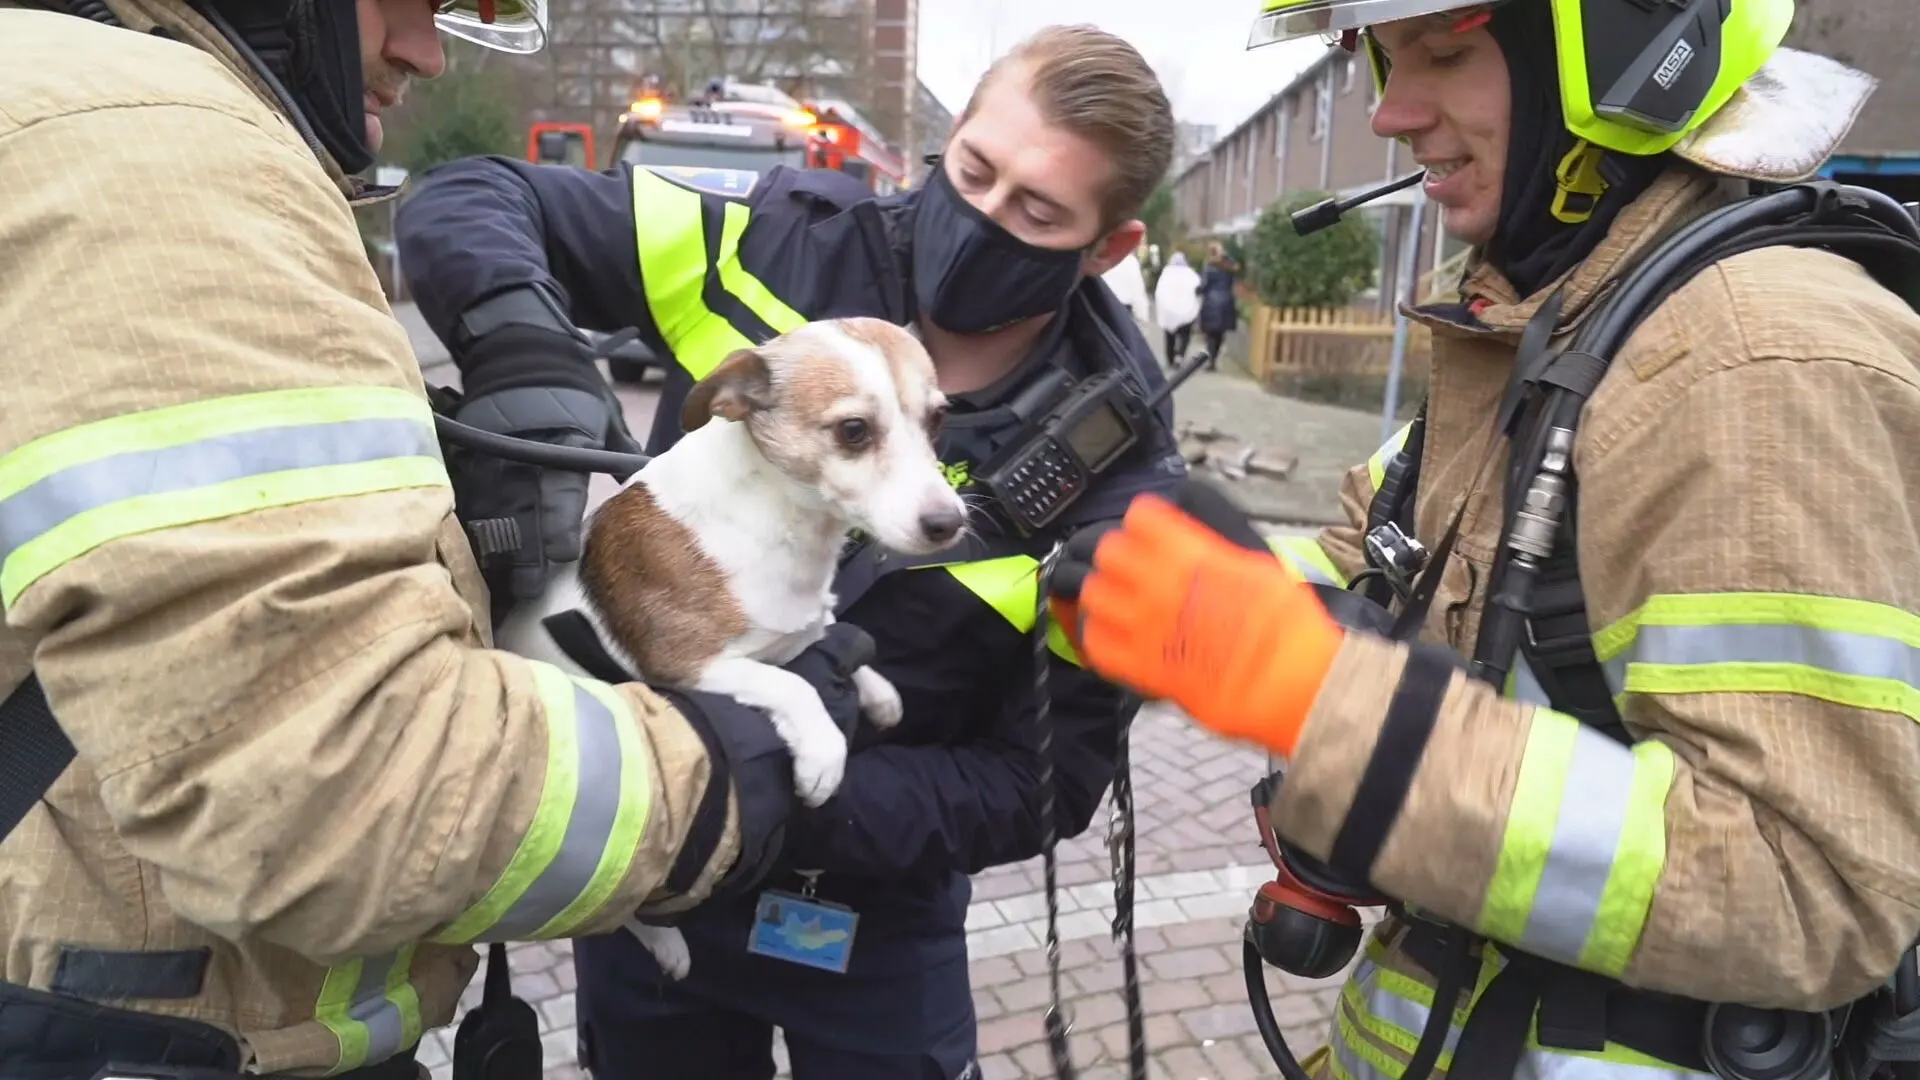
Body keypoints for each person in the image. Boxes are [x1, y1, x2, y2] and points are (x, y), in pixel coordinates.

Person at [1050, 1, 1920, 1079]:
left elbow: (1809, 889)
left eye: (1447, 52)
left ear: (1633, 51)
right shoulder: (1545, 327)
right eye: (1376, 58)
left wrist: (1314, 696)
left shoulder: (1757, 364)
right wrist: (1134, 588)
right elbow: (1389, 581)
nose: (1389, 114)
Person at [0, 0, 853, 1076]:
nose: (427, 51)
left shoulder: (55, 107)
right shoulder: (154, 149)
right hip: (141, 1033)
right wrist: (722, 774)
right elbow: (331, 803)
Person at [392, 22, 1186, 1080]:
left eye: (1036, 210)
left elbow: (1042, 784)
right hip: (653, 875)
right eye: (973, 171)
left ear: (1108, 248)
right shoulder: (782, 249)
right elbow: (473, 196)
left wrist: (777, 800)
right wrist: (522, 345)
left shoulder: (1121, 484)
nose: (981, 220)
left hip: (874, 919)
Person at [1195, 241, 1240, 369]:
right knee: (1220, 333)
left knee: (1210, 334)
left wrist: (1197, 290)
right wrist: (1225, 256)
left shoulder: (1208, 267)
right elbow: (1236, 268)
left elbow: (1203, 285)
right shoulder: (1228, 267)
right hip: (1226, 302)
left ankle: (1211, 360)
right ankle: (1214, 357)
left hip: (1211, 302)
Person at [1152, 250, 1201, 366]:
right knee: (1185, 334)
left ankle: (1170, 358)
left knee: (1170, 336)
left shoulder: (1167, 273)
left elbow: (1159, 292)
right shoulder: (1190, 274)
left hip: (1169, 310)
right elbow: (1198, 288)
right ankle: (1180, 354)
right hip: (1186, 309)